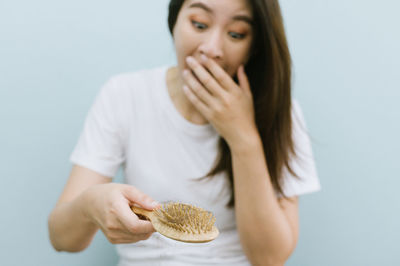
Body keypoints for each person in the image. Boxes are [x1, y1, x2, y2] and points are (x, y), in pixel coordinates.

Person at [48, 0, 321, 265]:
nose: (212, 49)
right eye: (199, 24)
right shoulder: (125, 95)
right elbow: (61, 238)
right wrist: (90, 205)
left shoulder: (280, 113)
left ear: (254, 46)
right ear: (174, 21)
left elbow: (269, 259)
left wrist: (243, 137)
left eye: (236, 33)